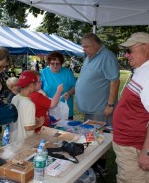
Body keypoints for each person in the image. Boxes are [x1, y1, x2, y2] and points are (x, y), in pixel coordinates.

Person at [75, 33, 120, 172]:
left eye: (86, 46)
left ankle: (101, 166)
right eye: (83, 47)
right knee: (90, 136)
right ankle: (93, 163)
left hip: (100, 108)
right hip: (90, 108)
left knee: (100, 137)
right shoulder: (90, 57)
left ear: (95, 45)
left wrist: (110, 104)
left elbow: (115, 81)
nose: (84, 49)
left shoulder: (107, 57)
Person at [113, 32, 149, 183]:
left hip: (134, 147)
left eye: (130, 50)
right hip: (129, 145)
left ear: (146, 48)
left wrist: (147, 153)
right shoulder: (142, 70)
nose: (126, 55)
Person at [9, 70, 44, 144]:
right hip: (24, 143)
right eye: (35, 84)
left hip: (14, 140)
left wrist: (32, 118)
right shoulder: (30, 104)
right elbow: (28, 128)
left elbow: (19, 116)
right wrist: (39, 124)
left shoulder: (15, 98)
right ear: (31, 86)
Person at [41, 51, 76, 120]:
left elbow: (75, 87)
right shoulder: (43, 73)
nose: (55, 66)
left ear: (61, 63)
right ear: (49, 63)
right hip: (49, 108)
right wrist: (43, 94)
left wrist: (69, 93)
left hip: (65, 109)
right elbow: (37, 88)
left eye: (58, 63)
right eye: (52, 63)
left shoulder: (67, 73)